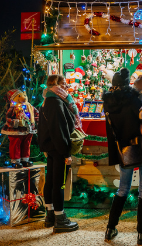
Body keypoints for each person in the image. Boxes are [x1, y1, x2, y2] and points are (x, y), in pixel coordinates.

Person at [103, 68, 142, 245]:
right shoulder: (133, 99)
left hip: (123, 149)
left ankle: (110, 229)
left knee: (122, 189)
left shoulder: (108, 102)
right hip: (141, 147)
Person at [38, 74, 79, 233]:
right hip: (58, 148)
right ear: (56, 85)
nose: (67, 87)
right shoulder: (57, 102)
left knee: (51, 181)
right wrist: (66, 152)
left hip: (50, 147)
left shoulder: (47, 100)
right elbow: (59, 129)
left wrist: (45, 147)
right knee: (59, 183)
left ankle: (50, 215)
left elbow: (42, 127)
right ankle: (60, 218)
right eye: (64, 84)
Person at [1, 88, 37, 168]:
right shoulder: (13, 108)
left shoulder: (30, 107)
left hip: (28, 129)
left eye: (24, 95)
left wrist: (35, 121)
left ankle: (25, 159)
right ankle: (16, 160)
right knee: (15, 144)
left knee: (26, 144)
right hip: (16, 130)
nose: (23, 98)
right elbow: (8, 118)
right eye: (19, 96)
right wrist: (16, 122)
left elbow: (36, 114)